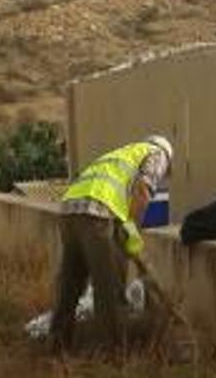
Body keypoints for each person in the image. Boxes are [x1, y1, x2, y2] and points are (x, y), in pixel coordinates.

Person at [50, 135, 173, 354]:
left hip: (69, 210)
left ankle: (57, 345)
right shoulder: (157, 153)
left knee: (70, 284)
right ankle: (111, 354)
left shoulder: (121, 152)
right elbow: (143, 191)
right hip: (97, 213)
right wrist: (132, 227)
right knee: (109, 287)